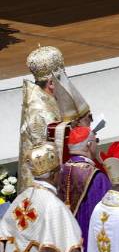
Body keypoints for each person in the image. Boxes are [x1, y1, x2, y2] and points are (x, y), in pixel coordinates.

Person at [18, 46, 94, 192]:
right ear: (52, 83)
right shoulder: (40, 112)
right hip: (45, 185)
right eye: (62, 79)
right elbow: (51, 153)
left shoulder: (46, 98)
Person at [58, 126, 110, 251]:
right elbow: (106, 216)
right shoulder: (97, 177)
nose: (97, 146)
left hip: (63, 239)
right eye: (96, 141)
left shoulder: (59, 171)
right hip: (86, 242)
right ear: (89, 145)